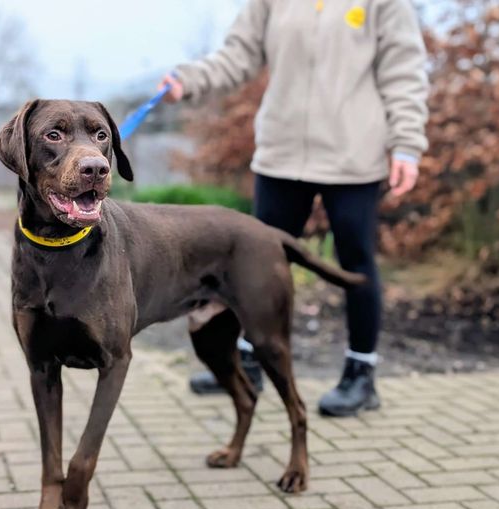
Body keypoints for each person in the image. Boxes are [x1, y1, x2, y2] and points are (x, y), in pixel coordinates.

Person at [159, 0, 429, 417]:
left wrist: (407, 145)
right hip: (281, 155)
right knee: (250, 263)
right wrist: (189, 80)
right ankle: (248, 361)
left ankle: (361, 373)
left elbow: (404, 71)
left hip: (352, 156)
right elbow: (239, 54)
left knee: (355, 259)